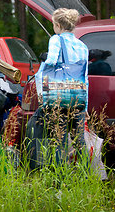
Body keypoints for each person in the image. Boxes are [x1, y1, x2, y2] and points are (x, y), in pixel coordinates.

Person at [42, 8, 89, 163]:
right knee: (79, 140)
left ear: (57, 25)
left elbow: (51, 62)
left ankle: (60, 179)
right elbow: (85, 77)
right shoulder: (82, 45)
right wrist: (85, 105)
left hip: (60, 96)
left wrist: (43, 70)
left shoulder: (56, 39)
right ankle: (83, 175)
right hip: (78, 96)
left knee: (59, 139)